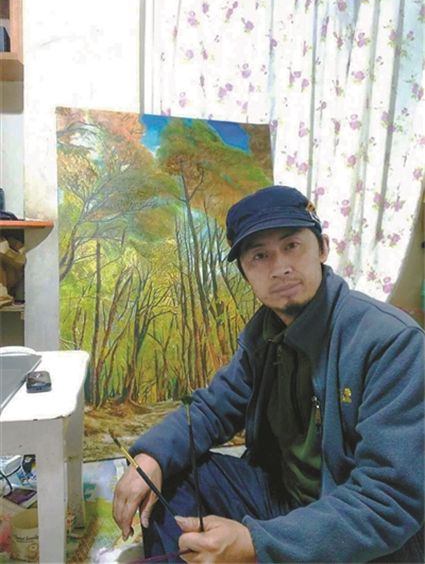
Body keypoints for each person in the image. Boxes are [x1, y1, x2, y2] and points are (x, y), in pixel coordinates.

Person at [113, 185, 424, 563]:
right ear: (245, 273)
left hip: (356, 528)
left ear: (323, 248)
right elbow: (213, 408)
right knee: (170, 473)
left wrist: (257, 543)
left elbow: (389, 500)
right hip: (282, 501)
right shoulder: (263, 334)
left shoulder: (390, 342)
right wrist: (151, 457)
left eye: (292, 245)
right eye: (260, 255)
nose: (280, 267)